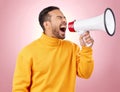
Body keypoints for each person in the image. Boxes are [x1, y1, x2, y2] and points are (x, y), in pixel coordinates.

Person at [12, 6, 94, 92]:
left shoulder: (72, 48)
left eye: (64, 18)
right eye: (59, 18)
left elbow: (85, 74)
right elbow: (19, 89)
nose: (64, 21)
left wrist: (86, 49)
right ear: (46, 24)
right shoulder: (27, 52)